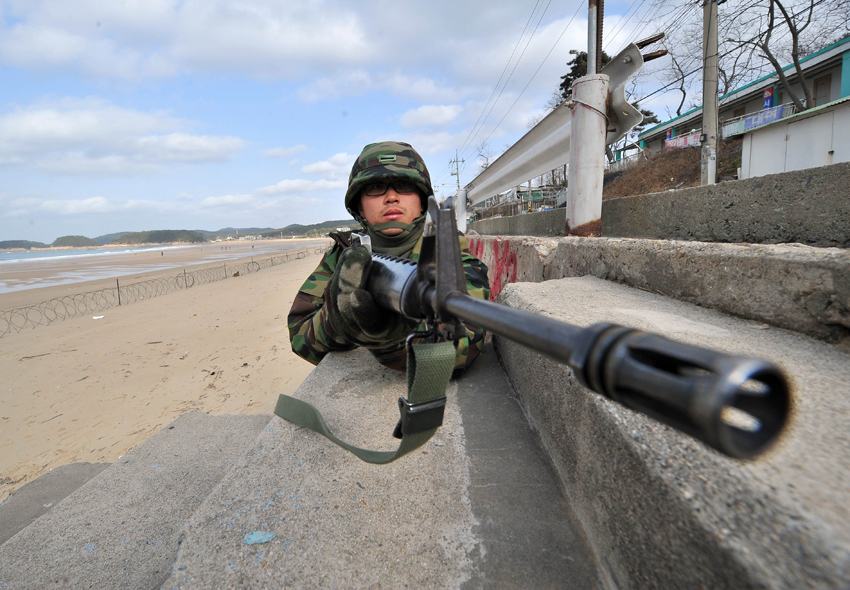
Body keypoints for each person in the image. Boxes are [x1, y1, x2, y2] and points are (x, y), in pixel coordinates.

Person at [288, 141, 490, 376]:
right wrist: (338, 320)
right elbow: (299, 337)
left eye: (404, 185)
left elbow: (462, 347)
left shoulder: (448, 253)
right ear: (359, 207)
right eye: (375, 187)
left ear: (423, 201)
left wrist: (389, 338)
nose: (392, 197)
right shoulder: (344, 254)